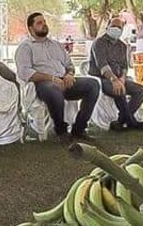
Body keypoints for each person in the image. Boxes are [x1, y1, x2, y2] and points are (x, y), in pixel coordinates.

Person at [15, 12, 99, 142]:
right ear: (31, 28)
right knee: (53, 89)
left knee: (93, 84)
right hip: (44, 84)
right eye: (39, 23)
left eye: (44, 22)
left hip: (65, 80)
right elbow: (25, 72)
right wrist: (51, 78)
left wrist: (70, 74)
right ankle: (61, 131)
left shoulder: (56, 45)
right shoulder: (25, 47)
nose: (44, 25)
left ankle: (79, 129)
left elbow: (69, 64)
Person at [89, 17, 143, 132]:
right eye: (114, 26)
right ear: (107, 27)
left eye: (119, 27)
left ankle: (120, 121)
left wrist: (122, 79)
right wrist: (114, 80)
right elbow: (103, 66)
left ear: (123, 29)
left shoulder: (122, 46)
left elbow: (124, 67)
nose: (116, 29)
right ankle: (132, 122)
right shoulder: (99, 43)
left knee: (142, 91)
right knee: (119, 90)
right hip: (100, 79)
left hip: (118, 79)